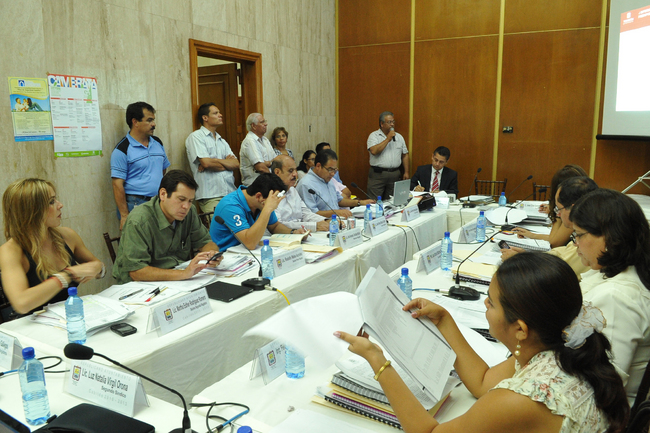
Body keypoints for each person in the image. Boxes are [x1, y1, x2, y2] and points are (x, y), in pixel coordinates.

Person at [336, 253, 628, 432]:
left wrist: (378, 360)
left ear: (520, 329)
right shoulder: (562, 346)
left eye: (491, 302)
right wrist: (444, 320)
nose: (485, 305)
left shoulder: (522, 399)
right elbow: (482, 382)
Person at [570, 188, 650, 403]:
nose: (575, 243)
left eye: (579, 234)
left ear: (610, 236)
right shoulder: (621, 273)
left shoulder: (617, 297)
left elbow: (601, 388)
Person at [0, 179, 105, 315]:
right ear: (31, 211)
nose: (60, 205)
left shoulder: (67, 235)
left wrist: (99, 268)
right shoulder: (10, 251)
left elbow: (97, 267)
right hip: (33, 324)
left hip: (69, 316)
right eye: (51, 202)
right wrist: (67, 275)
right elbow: (22, 303)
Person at [112, 170, 221, 284]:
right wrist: (183, 274)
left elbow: (205, 242)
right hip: (141, 285)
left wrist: (212, 255)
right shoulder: (139, 220)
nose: (186, 206)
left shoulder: (189, 212)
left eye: (190, 201)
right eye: (181, 199)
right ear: (163, 194)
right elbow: (136, 271)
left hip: (177, 278)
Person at [501, 176, 597, 278]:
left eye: (559, 209)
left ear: (573, 209)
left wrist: (518, 261)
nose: (558, 214)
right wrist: (528, 256)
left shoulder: (589, 239)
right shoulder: (584, 230)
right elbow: (561, 253)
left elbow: (555, 270)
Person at [111, 101, 170, 230]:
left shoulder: (157, 142)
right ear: (135, 122)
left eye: (153, 120)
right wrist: (124, 215)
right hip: (135, 203)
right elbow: (117, 185)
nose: (154, 124)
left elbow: (162, 169)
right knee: (138, 240)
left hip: (158, 201)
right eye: (149, 120)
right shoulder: (122, 149)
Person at [210, 173, 303, 251]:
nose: (276, 203)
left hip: (246, 252)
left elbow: (274, 226)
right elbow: (249, 243)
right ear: (258, 196)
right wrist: (267, 209)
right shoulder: (230, 206)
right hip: (225, 254)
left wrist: (293, 233)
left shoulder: (261, 202)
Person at [511, 164, 587, 248]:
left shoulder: (574, 215)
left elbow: (554, 243)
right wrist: (532, 235)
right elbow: (554, 238)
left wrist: (557, 211)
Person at [185, 103, 239, 214]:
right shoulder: (196, 136)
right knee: (218, 224)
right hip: (211, 195)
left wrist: (215, 160)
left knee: (235, 224)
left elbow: (236, 164)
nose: (220, 115)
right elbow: (206, 163)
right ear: (205, 118)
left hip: (230, 193)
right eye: (215, 113)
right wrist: (226, 163)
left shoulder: (222, 140)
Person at [296, 150, 374, 218]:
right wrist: (336, 212)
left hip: (337, 221)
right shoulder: (306, 184)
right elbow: (311, 214)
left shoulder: (327, 179)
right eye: (330, 169)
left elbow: (339, 200)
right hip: (322, 225)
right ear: (318, 166)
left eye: (335, 170)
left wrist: (360, 202)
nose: (333, 174)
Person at [271, 155, 328, 232]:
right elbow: (278, 225)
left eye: (295, 170)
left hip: (299, 233)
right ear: (277, 172)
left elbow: (305, 213)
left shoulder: (292, 190)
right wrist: (314, 226)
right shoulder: (270, 194)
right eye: (290, 171)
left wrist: (326, 221)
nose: (295, 174)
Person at [366, 111, 410, 199]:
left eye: (393, 122)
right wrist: (388, 139)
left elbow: (405, 155)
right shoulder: (374, 136)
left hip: (395, 174)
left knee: (392, 201)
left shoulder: (399, 137)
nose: (392, 124)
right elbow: (374, 151)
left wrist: (406, 172)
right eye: (389, 122)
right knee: (374, 201)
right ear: (382, 124)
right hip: (378, 175)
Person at [239, 113, 275, 186]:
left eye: (265, 121)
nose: (266, 124)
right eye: (262, 122)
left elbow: (276, 160)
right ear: (253, 126)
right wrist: (275, 181)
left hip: (266, 183)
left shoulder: (265, 140)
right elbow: (261, 167)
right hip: (254, 185)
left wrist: (269, 163)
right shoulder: (249, 141)